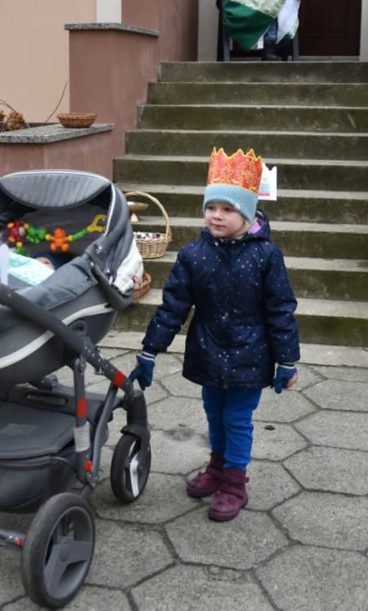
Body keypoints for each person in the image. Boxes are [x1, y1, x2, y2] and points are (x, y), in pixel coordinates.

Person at [128, 148, 301, 522]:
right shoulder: (194, 255)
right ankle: (218, 467)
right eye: (211, 208)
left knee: (237, 418)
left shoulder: (267, 256)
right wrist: (150, 350)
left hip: (250, 356)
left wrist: (287, 359)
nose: (216, 216)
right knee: (213, 413)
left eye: (227, 209)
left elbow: (280, 308)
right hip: (207, 350)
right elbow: (174, 305)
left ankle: (235, 482)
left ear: (248, 214)